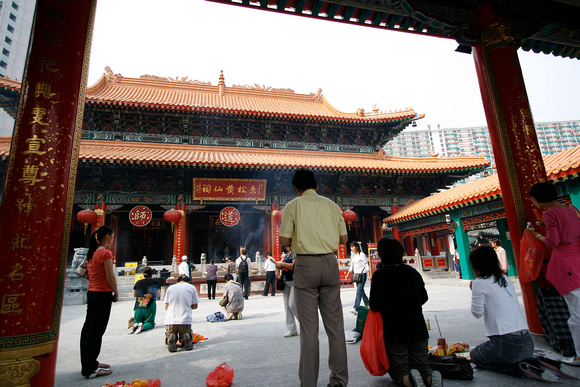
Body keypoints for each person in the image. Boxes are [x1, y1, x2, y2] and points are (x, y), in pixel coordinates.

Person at [279, 168, 349, 387]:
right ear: (316, 186)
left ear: (297, 189)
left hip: (305, 266)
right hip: (329, 263)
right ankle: (338, 381)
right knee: (336, 327)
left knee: (309, 331)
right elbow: (344, 239)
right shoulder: (332, 206)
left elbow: (284, 239)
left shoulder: (293, 206)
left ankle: (308, 383)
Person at [370, 238, 440, 387]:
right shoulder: (412, 272)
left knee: (399, 368)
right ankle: (430, 378)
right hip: (418, 328)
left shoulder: (380, 275)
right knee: (422, 364)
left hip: (394, 331)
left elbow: (375, 305)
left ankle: (409, 381)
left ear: (381, 255)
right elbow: (424, 297)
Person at [529, 182, 580, 365]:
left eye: (533, 200)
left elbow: (552, 241)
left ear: (539, 200)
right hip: (577, 259)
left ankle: (579, 354)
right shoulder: (571, 209)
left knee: (576, 312)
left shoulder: (549, 213)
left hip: (566, 264)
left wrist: (536, 235)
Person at [469, 245, 534, 376]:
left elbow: (477, 313)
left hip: (506, 344)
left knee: (475, 355)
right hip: (528, 342)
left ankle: (516, 369)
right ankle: (523, 364)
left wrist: (474, 291)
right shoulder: (506, 279)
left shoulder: (479, 282)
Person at [80, 225, 119, 379]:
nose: (113, 238)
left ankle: (89, 363)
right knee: (96, 331)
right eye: (112, 235)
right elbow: (110, 277)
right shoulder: (105, 253)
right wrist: (116, 291)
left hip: (92, 293)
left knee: (89, 328)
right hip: (102, 294)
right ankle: (90, 369)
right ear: (107, 236)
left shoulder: (92, 252)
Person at [164, 275, 199, 352]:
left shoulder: (170, 288)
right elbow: (195, 306)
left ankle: (171, 338)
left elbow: (166, 306)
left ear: (177, 281)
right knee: (184, 336)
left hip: (171, 320)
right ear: (188, 282)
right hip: (185, 320)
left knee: (168, 336)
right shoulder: (191, 287)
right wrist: (188, 306)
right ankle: (186, 337)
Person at [276, 246, 299, 338]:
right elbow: (284, 266)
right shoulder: (287, 255)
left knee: (292, 304)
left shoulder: (295, 253)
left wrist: (282, 264)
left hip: (294, 281)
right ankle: (291, 328)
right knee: (287, 306)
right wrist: (279, 268)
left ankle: (305, 323)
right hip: (285, 281)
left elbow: (293, 266)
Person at [130, 267, 160, 334]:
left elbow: (134, 294)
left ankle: (135, 325)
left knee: (137, 320)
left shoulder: (138, 282)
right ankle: (142, 327)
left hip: (138, 306)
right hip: (149, 306)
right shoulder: (154, 282)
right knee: (150, 322)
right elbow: (158, 294)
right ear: (151, 274)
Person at [346, 241, 369, 315]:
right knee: (361, 290)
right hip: (356, 275)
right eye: (351, 247)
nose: (351, 249)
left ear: (357, 247)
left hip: (362, 275)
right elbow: (352, 266)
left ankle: (355, 307)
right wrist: (348, 274)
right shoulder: (354, 256)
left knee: (359, 291)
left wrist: (369, 274)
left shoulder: (362, 255)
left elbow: (366, 264)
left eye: (353, 247)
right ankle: (367, 303)